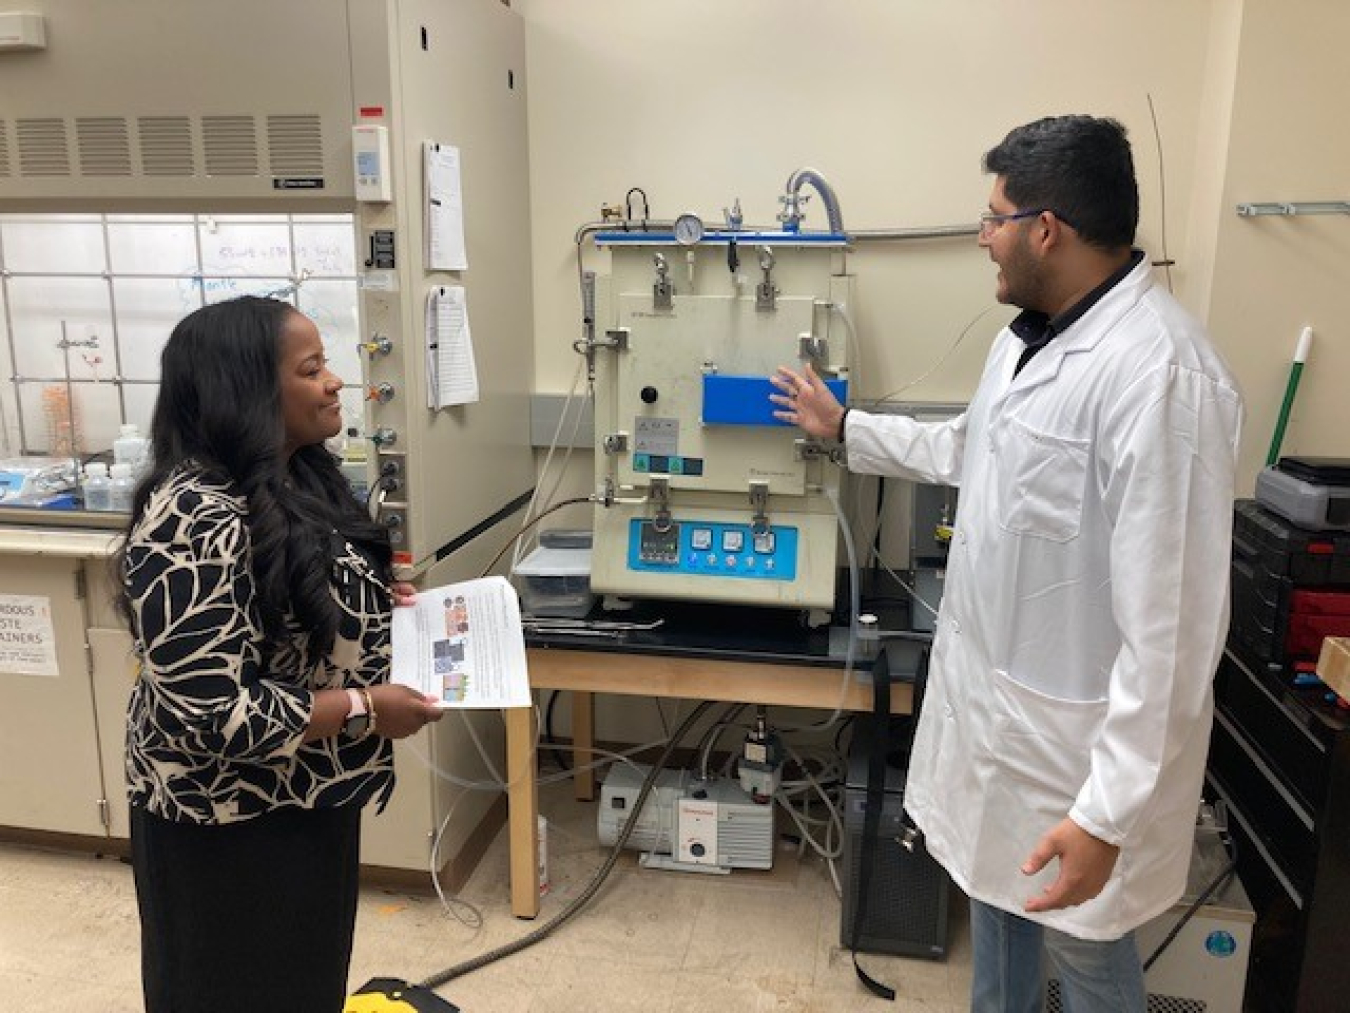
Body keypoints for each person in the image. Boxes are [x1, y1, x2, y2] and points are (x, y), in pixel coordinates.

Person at [772, 115, 1243, 1012]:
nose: (983, 236)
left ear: (1046, 228)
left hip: (1081, 755)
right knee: (997, 905)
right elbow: (971, 449)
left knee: (1093, 962)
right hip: (1005, 729)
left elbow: (1175, 635)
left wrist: (1106, 815)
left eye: (994, 218)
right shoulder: (1026, 339)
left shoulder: (1163, 377)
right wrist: (848, 429)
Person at [116, 296, 445, 1013]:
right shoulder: (195, 514)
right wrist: (364, 707)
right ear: (249, 389)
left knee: (303, 985)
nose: (335, 383)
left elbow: (297, 604)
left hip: (308, 795)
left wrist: (384, 605)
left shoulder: (299, 477)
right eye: (312, 368)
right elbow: (213, 710)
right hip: (225, 826)